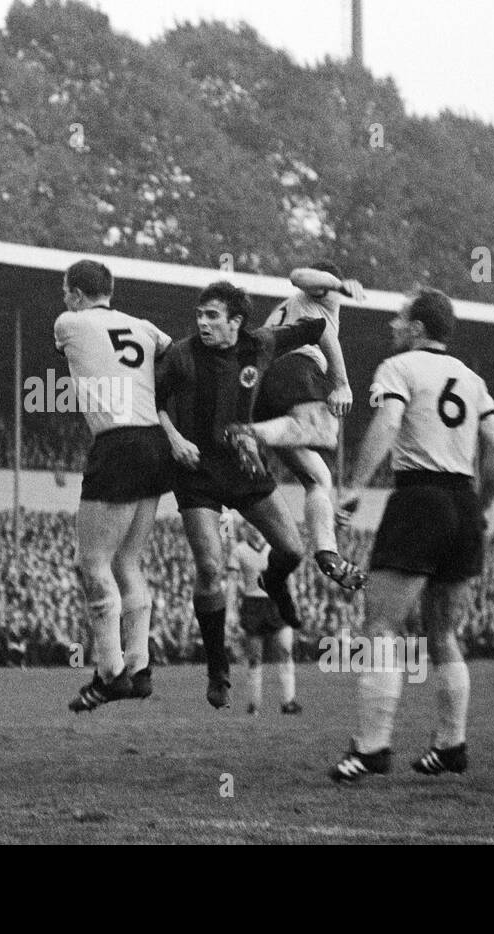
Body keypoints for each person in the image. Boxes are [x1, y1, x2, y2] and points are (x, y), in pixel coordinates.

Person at [329, 288, 494, 782]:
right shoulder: (473, 380)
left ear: (417, 328)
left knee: (382, 625)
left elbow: (388, 423)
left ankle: (371, 747)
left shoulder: (400, 368)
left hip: (419, 498)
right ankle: (451, 745)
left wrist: (354, 488)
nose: (392, 324)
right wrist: (482, 505)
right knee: (443, 632)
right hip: (463, 503)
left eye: (400, 317)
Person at [156, 280, 339, 708]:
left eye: (213, 316)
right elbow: (157, 401)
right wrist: (174, 438)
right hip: (197, 470)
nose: (203, 323)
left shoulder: (261, 345)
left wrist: (340, 382)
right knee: (209, 565)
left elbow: (320, 328)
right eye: (200, 315)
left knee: (293, 550)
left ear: (235, 321)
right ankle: (218, 668)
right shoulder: (182, 355)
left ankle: (275, 581)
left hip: (245, 466)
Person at [54, 259, 175, 711]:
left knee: (93, 562)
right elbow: (171, 355)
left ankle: (110, 673)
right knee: (128, 560)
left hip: (117, 442)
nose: (65, 300)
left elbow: (72, 353)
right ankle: (140, 667)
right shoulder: (143, 326)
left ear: (78, 294)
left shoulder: (69, 322)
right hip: (153, 442)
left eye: (67, 291)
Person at [246, 261, 367, 591]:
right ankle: (251, 434)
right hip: (297, 367)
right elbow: (298, 275)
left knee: (319, 478)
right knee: (325, 428)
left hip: (265, 386)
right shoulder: (319, 295)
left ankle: (327, 553)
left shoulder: (282, 310)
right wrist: (339, 285)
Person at [227, 519, 301, 716]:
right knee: (255, 657)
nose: (256, 529)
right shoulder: (239, 551)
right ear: (245, 528)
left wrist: (293, 603)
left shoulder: (277, 549)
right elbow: (232, 583)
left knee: (285, 650)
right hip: (252, 605)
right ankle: (254, 704)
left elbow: (289, 579)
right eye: (251, 526)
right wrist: (230, 611)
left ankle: (288, 702)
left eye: (258, 525)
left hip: (277, 603)